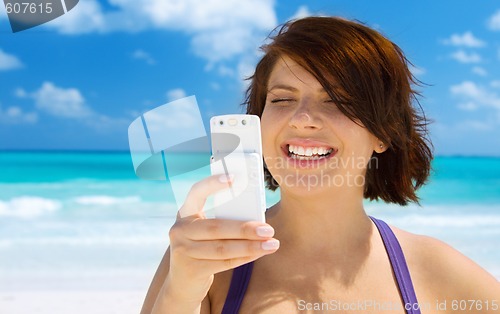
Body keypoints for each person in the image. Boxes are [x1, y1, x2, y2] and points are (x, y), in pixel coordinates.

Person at [141, 16, 500, 314]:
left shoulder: (434, 269)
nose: (303, 120)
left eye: (338, 101)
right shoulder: (205, 260)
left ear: (383, 133)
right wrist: (183, 290)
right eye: (282, 99)